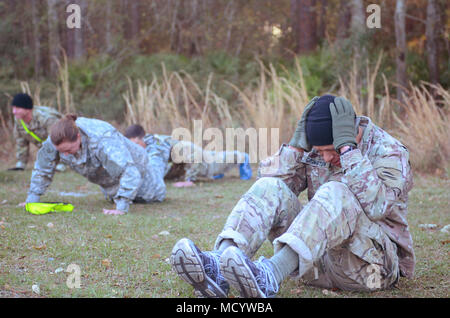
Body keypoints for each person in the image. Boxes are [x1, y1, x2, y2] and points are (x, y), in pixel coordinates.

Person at [170, 95, 415, 298]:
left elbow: (377, 207)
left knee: (336, 191)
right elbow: (273, 187)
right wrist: (295, 148)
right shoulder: (315, 151)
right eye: (321, 151)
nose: (327, 158)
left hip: (372, 269)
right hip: (316, 264)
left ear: (352, 133)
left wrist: (348, 151)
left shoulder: (389, 151)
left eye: (332, 150)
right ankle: (218, 266)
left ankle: (270, 275)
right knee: (270, 186)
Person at [24, 114, 166, 215]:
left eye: (68, 150)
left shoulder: (102, 139)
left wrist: (121, 208)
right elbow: (42, 168)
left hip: (145, 180)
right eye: (61, 152)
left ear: (78, 137)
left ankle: (160, 145)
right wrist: (32, 200)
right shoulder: (54, 141)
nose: (65, 155)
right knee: (114, 193)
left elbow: (130, 172)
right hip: (113, 185)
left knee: (156, 167)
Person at [124, 124, 252, 188]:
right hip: (187, 154)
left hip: (191, 153)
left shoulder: (155, 145)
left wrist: (189, 181)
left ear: (140, 139)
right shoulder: (149, 144)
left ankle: (243, 157)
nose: (133, 148)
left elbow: (192, 157)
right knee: (215, 158)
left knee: (213, 166)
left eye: (134, 143)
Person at [9, 93, 66, 172]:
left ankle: (62, 162)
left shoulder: (46, 118)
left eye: (17, 108)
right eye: (13, 108)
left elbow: (59, 140)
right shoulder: (19, 120)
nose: (14, 112)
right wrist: (21, 164)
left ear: (28, 109)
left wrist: (58, 162)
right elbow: (21, 142)